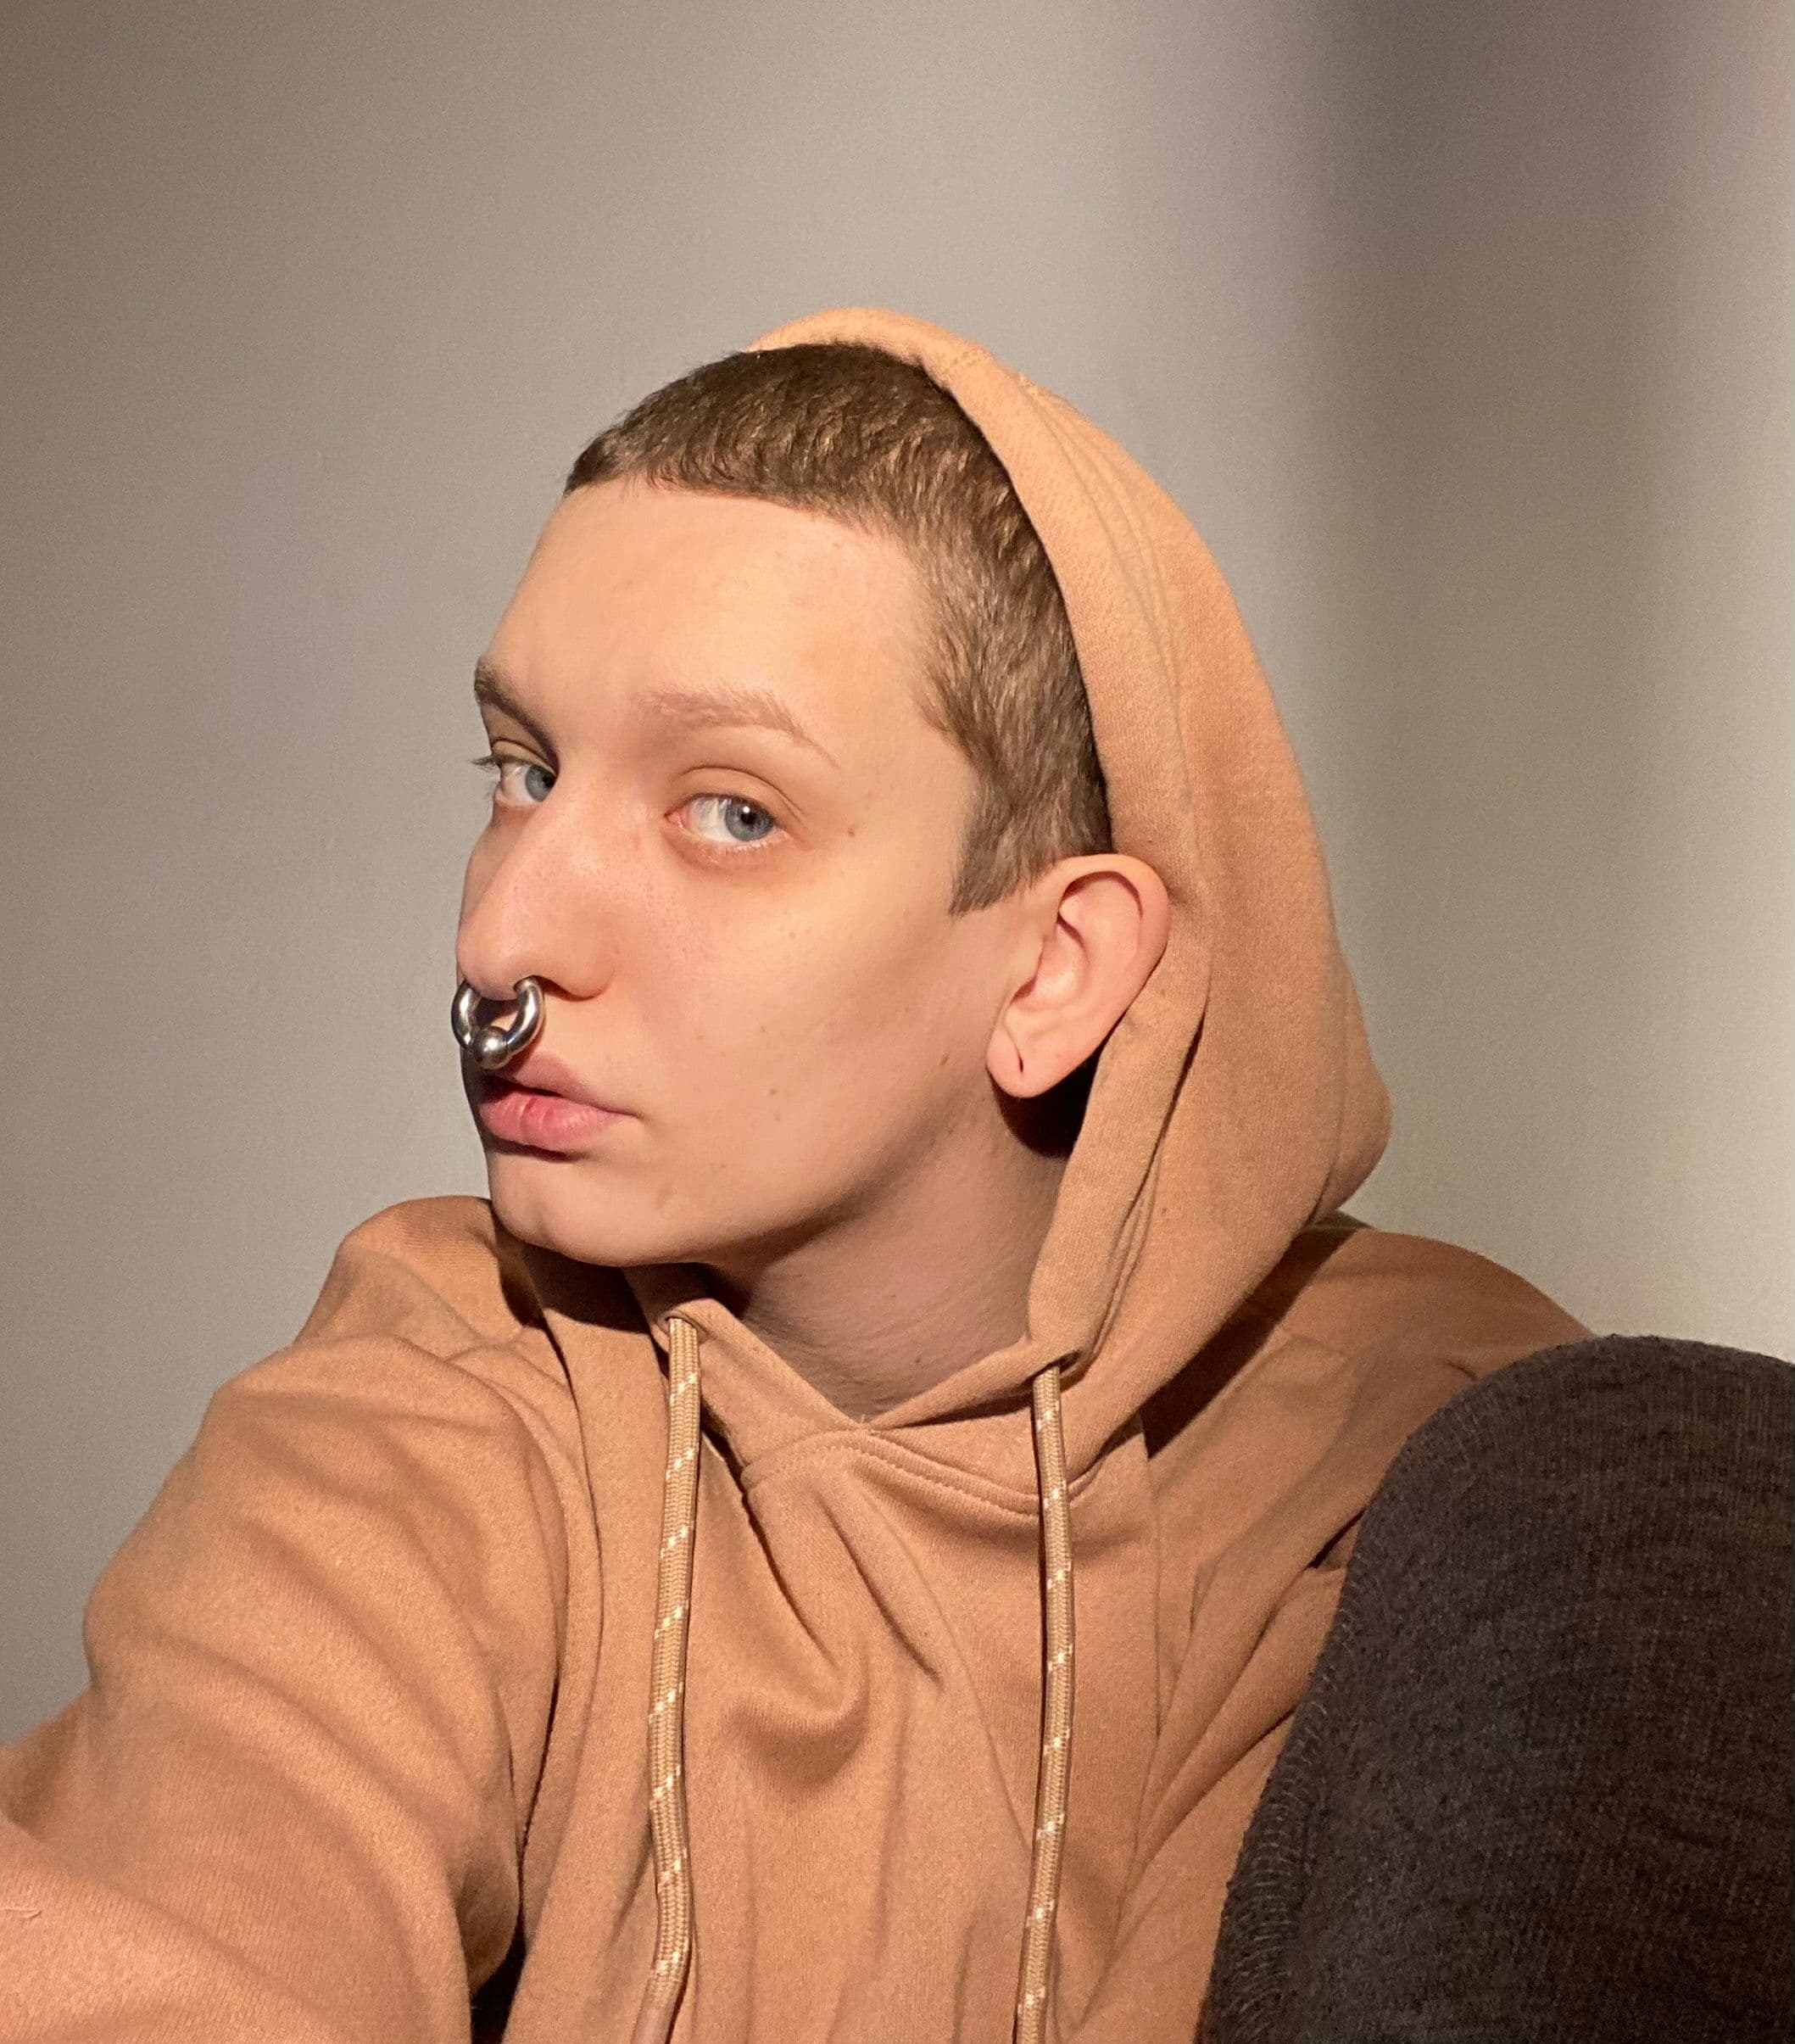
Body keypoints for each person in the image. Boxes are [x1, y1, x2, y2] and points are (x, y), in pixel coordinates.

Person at [0, 309, 1590, 2044]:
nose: (500, 939)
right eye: (521, 772)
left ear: (1054, 970)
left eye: (732, 812)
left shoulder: (1425, 1468)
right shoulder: (436, 1385)